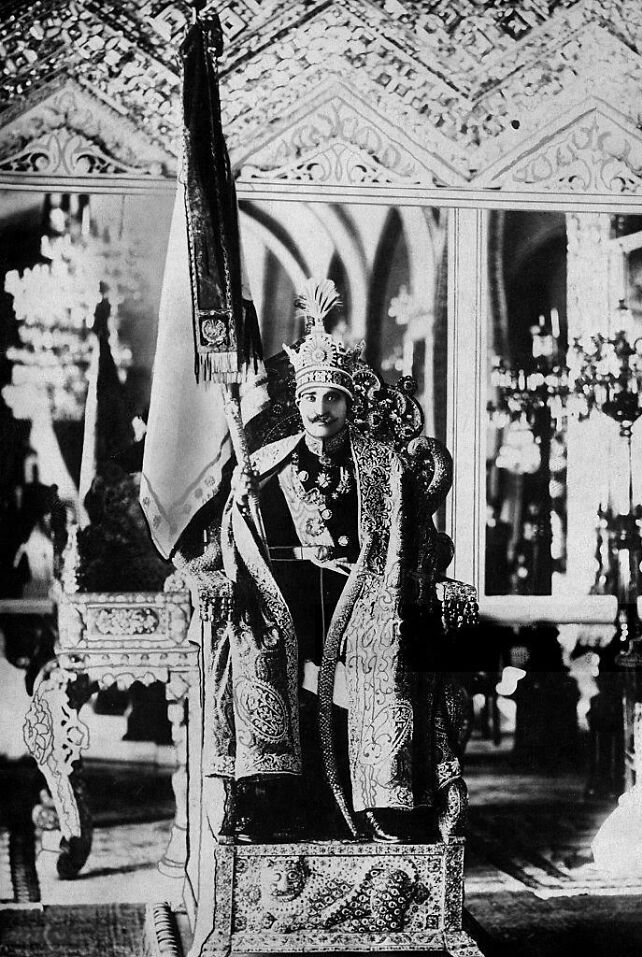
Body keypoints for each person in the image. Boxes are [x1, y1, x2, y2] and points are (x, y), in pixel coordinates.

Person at [199, 281, 469, 844]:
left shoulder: (383, 465)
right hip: (286, 592)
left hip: (365, 587)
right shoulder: (266, 463)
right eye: (311, 398)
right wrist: (243, 502)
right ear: (297, 404)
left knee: (386, 646)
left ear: (350, 404)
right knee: (257, 645)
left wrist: (405, 589)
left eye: (333, 398)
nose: (321, 409)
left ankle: (385, 801)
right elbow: (238, 543)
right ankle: (269, 798)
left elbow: (402, 541)